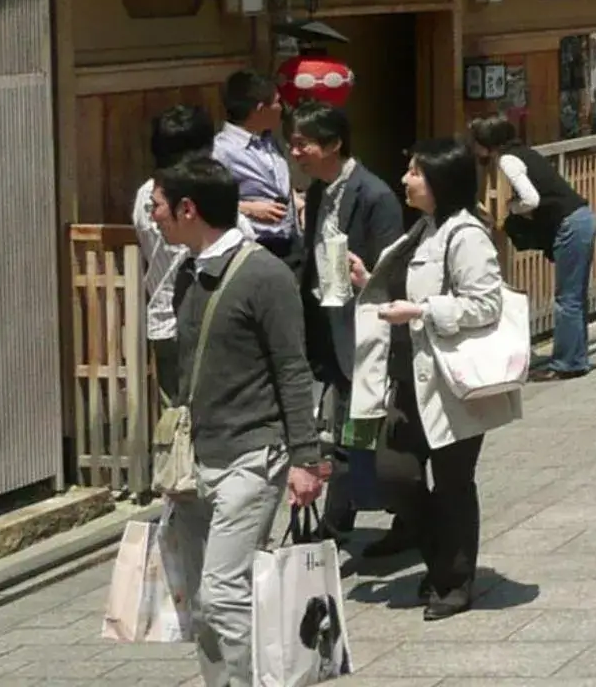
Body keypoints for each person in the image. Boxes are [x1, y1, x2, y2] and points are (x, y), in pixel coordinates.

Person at [154, 156, 324, 684]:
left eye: (157, 205)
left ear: (188, 208)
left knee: (224, 593)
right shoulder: (185, 273)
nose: (152, 216)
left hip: (254, 454)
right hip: (198, 458)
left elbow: (293, 369)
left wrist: (306, 458)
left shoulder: (265, 275)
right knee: (203, 603)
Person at [349, 139, 519, 619]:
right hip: (406, 381)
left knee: (452, 483)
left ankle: (454, 581)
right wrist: (369, 282)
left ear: (441, 180)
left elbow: (486, 304)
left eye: (416, 172)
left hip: (450, 384)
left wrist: (423, 310)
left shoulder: (467, 235)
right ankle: (439, 559)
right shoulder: (421, 230)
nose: (406, 179)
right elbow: (406, 289)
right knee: (394, 474)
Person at [289, 102, 402, 540]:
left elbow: (388, 272)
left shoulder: (375, 196)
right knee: (341, 430)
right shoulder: (319, 189)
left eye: (304, 144)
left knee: (365, 430)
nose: (296, 153)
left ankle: (395, 512)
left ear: (334, 144)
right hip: (326, 322)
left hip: (363, 328)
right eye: (292, 144)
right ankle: (344, 515)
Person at [472, 114, 596, 382]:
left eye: (477, 143)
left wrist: (511, 208)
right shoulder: (523, 153)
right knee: (575, 296)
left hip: (570, 224)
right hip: (581, 218)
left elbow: (531, 198)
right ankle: (577, 357)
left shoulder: (507, 160)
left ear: (487, 143)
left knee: (568, 299)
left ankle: (567, 363)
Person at [134, 104, 219, 411]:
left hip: (162, 322)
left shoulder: (146, 194)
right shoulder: (198, 195)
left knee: (176, 423)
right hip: (205, 322)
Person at [213, 70, 297, 261]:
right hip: (254, 247)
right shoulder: (221, 151)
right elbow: (205, 201)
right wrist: (248, 208)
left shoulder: (270, 141)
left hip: (290, 244)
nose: (282, 108)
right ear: (260, 109)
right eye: (277, 102)